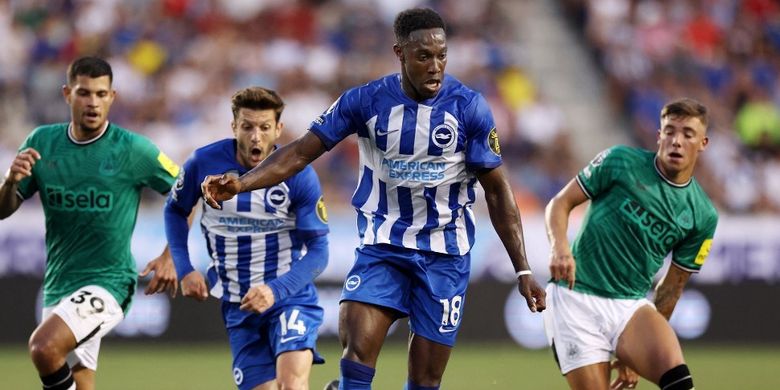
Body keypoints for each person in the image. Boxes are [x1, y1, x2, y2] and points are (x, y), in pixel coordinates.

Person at [202, 8, 546, 390]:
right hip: (384, 246)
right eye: (423, 56)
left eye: (442, 55)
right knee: (357, 348)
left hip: (446, 257)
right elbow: (300, 152)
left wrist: (523, 270)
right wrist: (242, 184)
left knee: (426, 380)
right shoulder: (364, 102)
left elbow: (497, 190)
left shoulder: (468, 108)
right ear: (399, 53)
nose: (435, 66)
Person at [0, 56, 180, 390]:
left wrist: (173, 255)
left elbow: (187, 193)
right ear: (67, 94)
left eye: (101, 94)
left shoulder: (133, 150)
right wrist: (10, 182)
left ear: (113, 97)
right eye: (84, 93)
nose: (93, 102)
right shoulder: (41, 143)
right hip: (59, 283)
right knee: (78, 381)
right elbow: (2, 209)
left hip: (109, 282)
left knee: (44, 347)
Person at [543, 97, 718, 390]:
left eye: (688, 134)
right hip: (576, 298)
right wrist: (560, 248)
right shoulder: (620, 162)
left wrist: (633, 354)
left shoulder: (703, 214)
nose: (677, 141)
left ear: (703, 143)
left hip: (629, 307)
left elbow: (672, 287)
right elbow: (560, 204)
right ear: (659, 135)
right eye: (670, 131)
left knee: (680, 383)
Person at [164, 86, 330, 390]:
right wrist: (184, 268)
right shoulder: (203, 163)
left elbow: (319, 250)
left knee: (290, 385)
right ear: (233, 126)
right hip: (238, 305)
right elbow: (175, 210)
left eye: (265, 127)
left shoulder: (298, 174)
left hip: (288, 297)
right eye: (247, 126)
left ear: (278, 128)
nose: (256, 136)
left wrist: (275, 290)